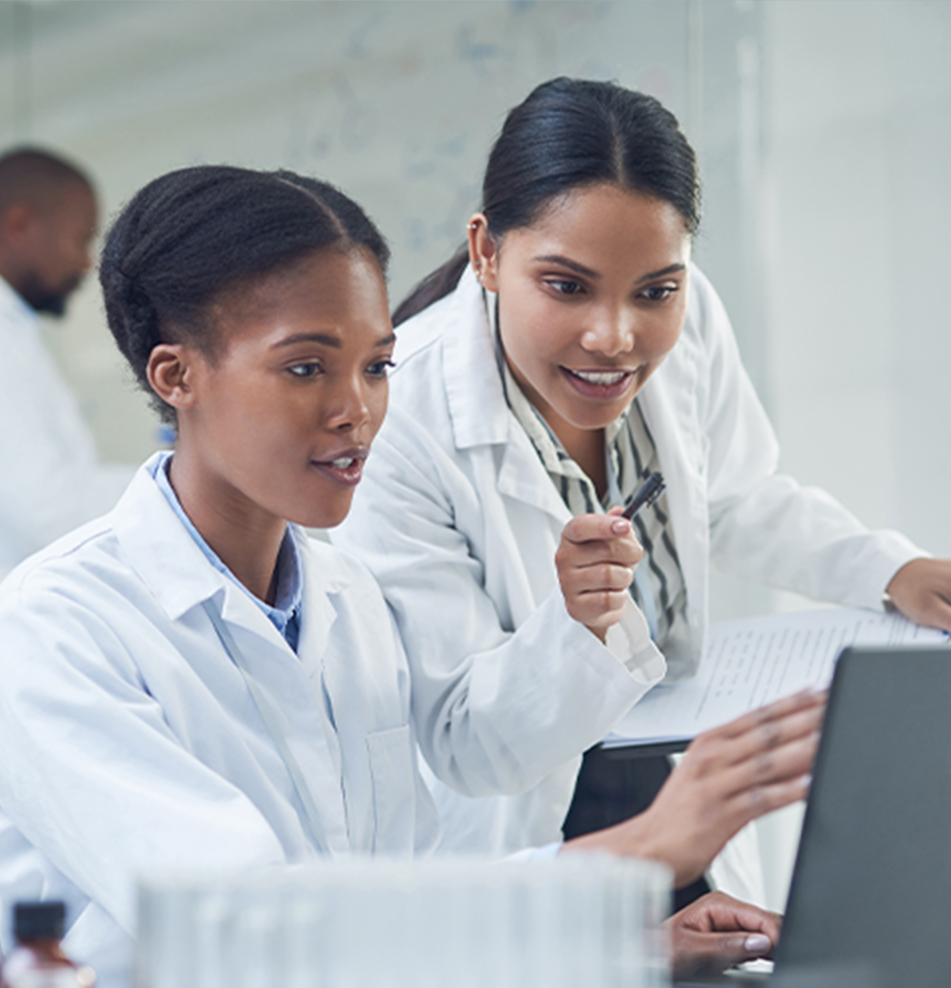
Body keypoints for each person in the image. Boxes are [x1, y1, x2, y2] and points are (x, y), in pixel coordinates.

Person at [0, 165, 821, 987]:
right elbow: (251, 928)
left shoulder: (348, 602)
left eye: (376, 366)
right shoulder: (59, 627)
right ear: (175, 375)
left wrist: (618, 950)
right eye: (307, 367)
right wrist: (640, 850)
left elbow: (401, 902)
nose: (358, 411)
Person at [331, 77, 951, 899]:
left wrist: (888, 570)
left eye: (655, 290)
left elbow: (733, 495)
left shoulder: (691, 319)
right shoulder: (400, 414)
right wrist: (578, 625)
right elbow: (465, 740)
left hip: (671, 772)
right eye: (567, 285)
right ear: (487, 252)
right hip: (525, 825)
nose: (615, 337)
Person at [0, 147, 134, 709]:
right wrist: (187, 486)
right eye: (79, 239)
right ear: (19, 225)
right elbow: (45, 507)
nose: (86, 263)